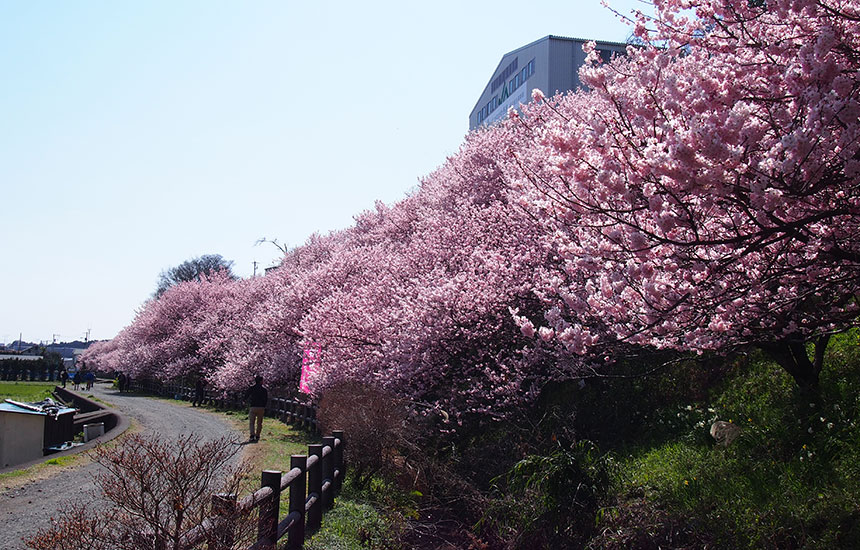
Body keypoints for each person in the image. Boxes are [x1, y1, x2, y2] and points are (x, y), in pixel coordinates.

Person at [245, 375, 268, 442]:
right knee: (259, 422)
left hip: (253, 406)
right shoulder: (264, 390)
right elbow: (266, 399)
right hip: (261, 407)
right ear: (261, 381)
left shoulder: (252, 388)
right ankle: (257, 435)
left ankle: (252, 435)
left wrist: (244, 400)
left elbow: (246, 395)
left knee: (252, 422)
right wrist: (264, 406)